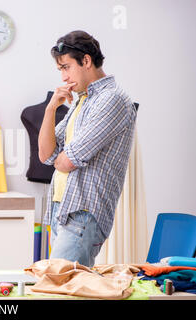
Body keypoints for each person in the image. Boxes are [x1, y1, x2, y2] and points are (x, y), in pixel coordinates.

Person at [38, 30, 137, 267]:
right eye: (60, 69)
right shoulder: (83, 100)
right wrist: (51, 108)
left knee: (63, 289)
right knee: (59, 287)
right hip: (63, 209)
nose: (63, 77)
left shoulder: (111, 99)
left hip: (83, 214)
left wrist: (61, 159)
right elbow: (46, 155)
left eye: (66, 67)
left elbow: (66, 161)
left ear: (86, 61)